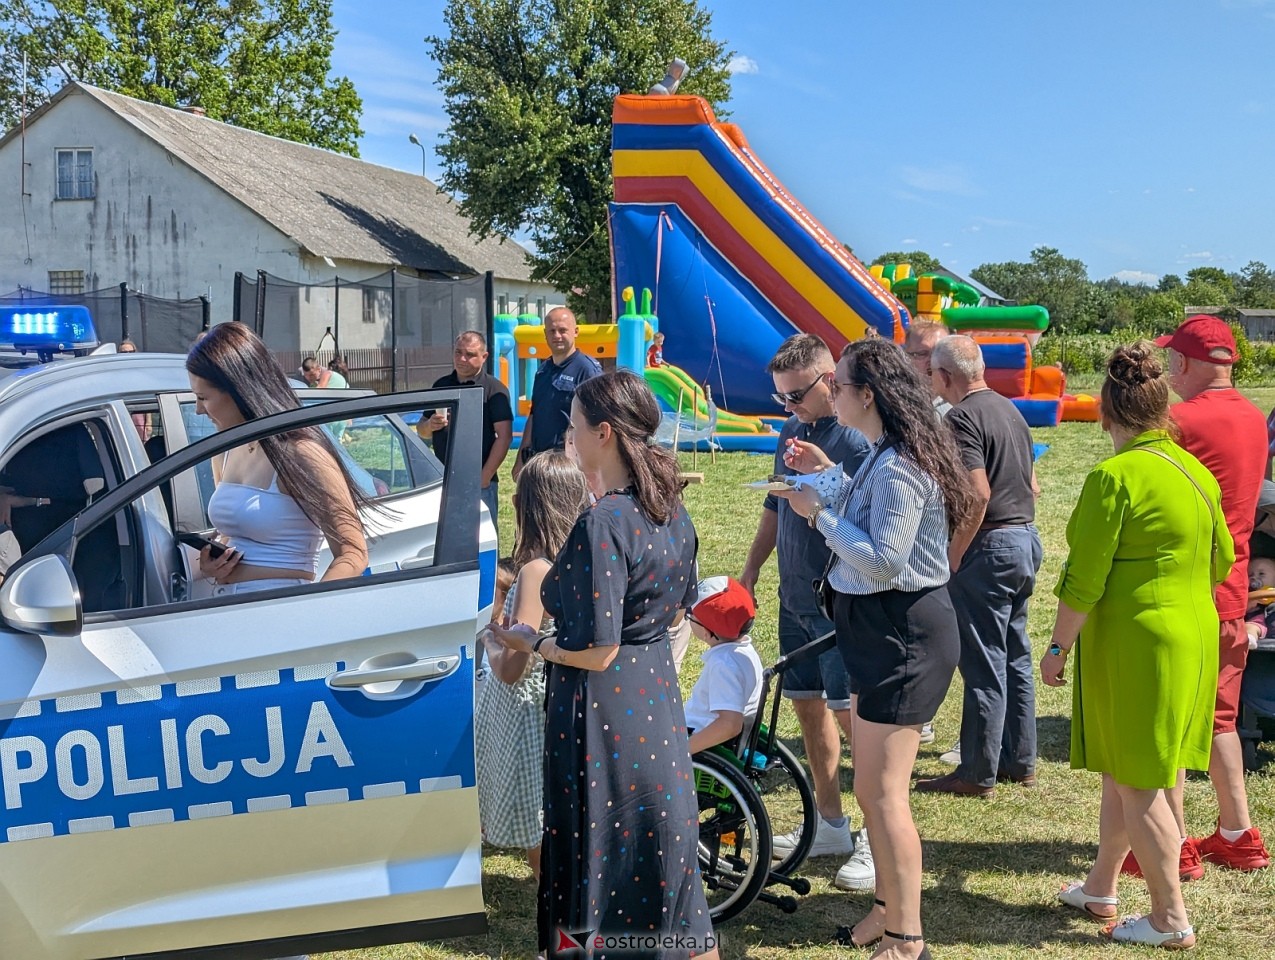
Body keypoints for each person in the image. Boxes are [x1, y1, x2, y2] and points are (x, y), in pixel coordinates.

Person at [497, 370, 717, 960]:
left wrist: (531, 644)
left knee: (603, 857)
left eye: (572, 427)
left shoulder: (605, 522)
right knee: (664, 866)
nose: (567, 437)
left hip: (603, 710)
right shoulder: (671, 510)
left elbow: (598, 648)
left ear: (603, 433)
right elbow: (674, 614)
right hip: (655, 700)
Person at [780, 337, 975, 958]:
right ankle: (885, 911)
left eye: (836, 385)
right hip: (882, 630)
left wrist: (817, 515)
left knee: (884, 795)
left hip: (903, 634)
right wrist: (819, 481)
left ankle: (905, 934)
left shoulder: (898, 464)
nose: (829, 393)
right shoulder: (881, 454)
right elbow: (856, 496)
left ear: (868, 395)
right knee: (873, 788)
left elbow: (885, 561)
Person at [1043, 341, 1233, 950]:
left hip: (1139, 639)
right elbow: (1223, 557)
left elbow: (1085, 577)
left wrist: (1056, 647)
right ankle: (1102, 885)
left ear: (1106, 412)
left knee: (1140, 779)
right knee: (1136, 769)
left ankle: (1169, 917)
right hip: (1192, 631)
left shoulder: (1113, 476)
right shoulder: (1194, 469)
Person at [739, 333, 873, 890]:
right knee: (808, 709)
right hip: (795, 599)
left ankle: (873, 836)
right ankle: (832, 823)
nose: (787, 409)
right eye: (781, 399)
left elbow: (869, 525)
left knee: (858, 723)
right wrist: (750, 573)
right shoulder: (792, 431)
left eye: (795, 396)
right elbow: (776, 506)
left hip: (839, 602)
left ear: (829, 380)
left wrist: (824, 475)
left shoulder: (859, 439)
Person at [1150, 314, 1271, 875]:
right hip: (1234, 587)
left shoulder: (1177, 421)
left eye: (1174, 358)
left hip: (1183, 590)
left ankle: (1172, 845)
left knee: (1167, 721)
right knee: (1221, 718)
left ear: (1186, 362)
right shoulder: (1253, 417)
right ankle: (1238, 833)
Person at [915, 336, 1042, 798]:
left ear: (945, 377)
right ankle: (1019, 760)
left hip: (989, 547)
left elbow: (977, 493)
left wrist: (954, 551)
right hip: (1024, 540)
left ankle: (976, 771)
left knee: (984, 663)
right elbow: (1032, 484)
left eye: (932, 373)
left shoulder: (962, 417)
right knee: (1014, 657)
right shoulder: (1009, 410)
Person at [187, 323, 370, 594]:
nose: (198, 409)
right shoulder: (226, 450)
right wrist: (213, 565)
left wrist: (306, 612)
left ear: (239, 389)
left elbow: (353, 553)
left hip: (279, 610)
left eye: (203, 397)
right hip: (226, 610)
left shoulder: (302, 452)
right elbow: (231, 534)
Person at [480, 451, 589, 882]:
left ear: (532, 506)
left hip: (532, 712)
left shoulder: (535, 571)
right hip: (579, 692)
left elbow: (514, 668)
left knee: (540, 813)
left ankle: (556, 893)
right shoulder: (590, 558)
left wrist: (492, 646)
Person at [417, 331, 514, 522]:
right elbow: (421, 430)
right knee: (446, 541)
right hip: (443, 480)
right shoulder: (441, 385)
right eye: (458, 352)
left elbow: (504, 437)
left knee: (482, 540)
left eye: (469, 354)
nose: (462, 359)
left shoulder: (494, 389)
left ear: (484, 357)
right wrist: (430, 425)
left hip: (479, 481)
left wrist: (484, 477)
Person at [511, 307, 601, 482]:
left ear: (575, 332)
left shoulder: (588, 370)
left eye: (562, 330)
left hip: (569, 467)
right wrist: (521, 458)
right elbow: (534, 414)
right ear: (545, 334)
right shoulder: (543, 370)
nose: (557, 336)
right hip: (539, 462)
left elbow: (598, 422)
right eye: (552, 331)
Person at [684, 576, 764, 755]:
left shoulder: (723, 665)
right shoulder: (745, 652)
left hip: (696, 739)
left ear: (706, 632)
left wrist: (682, 752)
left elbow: (730, 724)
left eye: (690, 616)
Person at [903, 320, 952, 417]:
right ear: (906, 357)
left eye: (940, 352)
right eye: (922, 354)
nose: (933, 360)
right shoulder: (895, 400)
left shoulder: (962, 400)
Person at [1244, 555, 1275, 649]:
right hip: (1258, 623)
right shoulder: (1250, 596)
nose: (1254, 578)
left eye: (1261, 574)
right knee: (1250, 626)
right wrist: (1250, 603)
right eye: (1250, 575)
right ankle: (1249, 638)